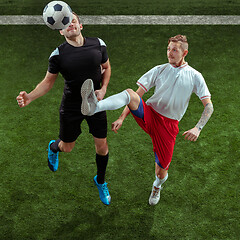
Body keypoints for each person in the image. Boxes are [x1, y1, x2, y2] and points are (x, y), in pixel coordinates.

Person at [80, 35, 214, 206]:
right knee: (130, 93)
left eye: (175, 50)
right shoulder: (159, 69)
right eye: (168, 49)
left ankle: (157, 187)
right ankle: (94, 107)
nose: (170, 53)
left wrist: (198, 128)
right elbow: (137, 95)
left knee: (161, 173)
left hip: (168, 126)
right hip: (149, 114)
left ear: (185, 52)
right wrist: (121, 118)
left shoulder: (195, 76)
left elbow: (209, 106)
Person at [16, 12, 111, 205]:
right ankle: (53, 147)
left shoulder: (98, 44)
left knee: (102, 146)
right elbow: (48, 83)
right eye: (65, 23)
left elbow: (106, 67)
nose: (70, 24)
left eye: (73, 21)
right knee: (67, 148)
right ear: (61, 31)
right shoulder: (58, 55)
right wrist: (30, 97)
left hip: (95, 102)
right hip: (71, 107)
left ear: (80, 25)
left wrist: (103, 89)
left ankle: (100, 180)